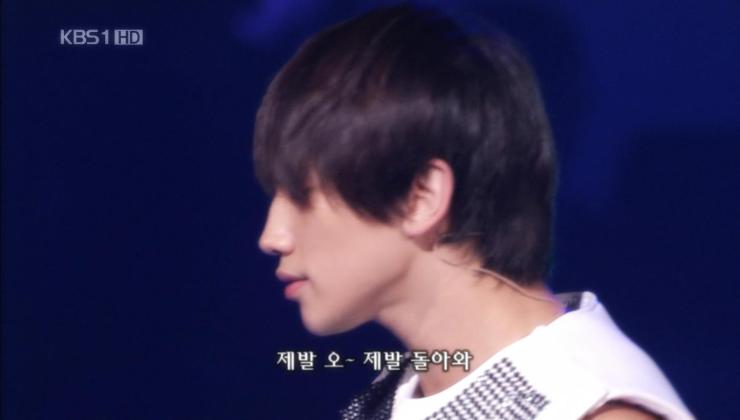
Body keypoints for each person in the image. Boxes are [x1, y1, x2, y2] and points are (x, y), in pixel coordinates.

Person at [253, 4, 694, 419]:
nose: (272, 237)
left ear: (421, 197)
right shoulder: (394, 393)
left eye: (302, 195)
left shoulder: (586, 404)